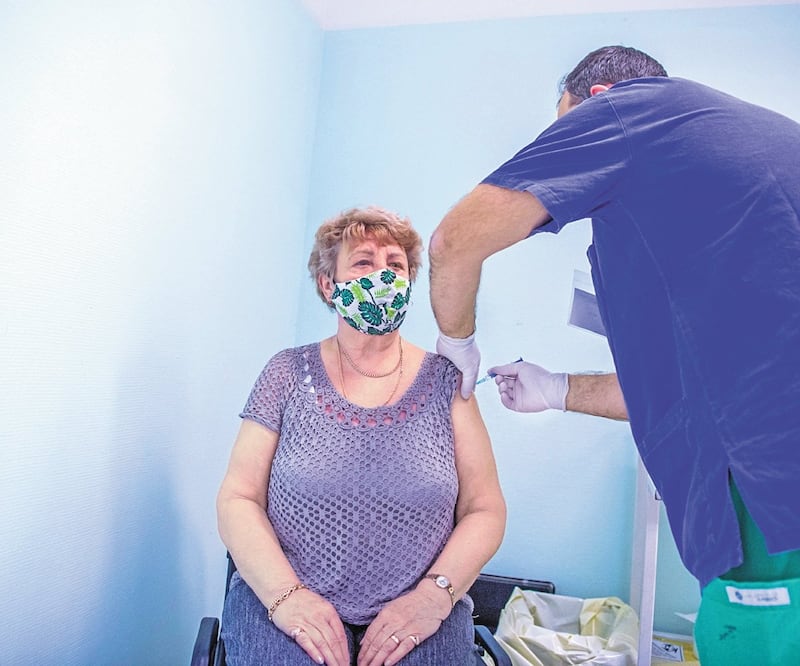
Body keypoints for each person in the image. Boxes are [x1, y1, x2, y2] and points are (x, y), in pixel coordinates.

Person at [428, 45, 800, 665]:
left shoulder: (623, 114)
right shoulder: (750, 152)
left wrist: (456, 340)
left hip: (773, 485)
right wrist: (556, 389)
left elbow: (454, 240)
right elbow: (691, 386)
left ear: (593, 101)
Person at [217, 206, 506, 666]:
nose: (383, 276)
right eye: (364, 262)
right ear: (329, 284)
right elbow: (238, 498)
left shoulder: (448, 383)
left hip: (421, 609)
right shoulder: (286, 373)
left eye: (396, 265)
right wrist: (286, 596)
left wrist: (433, 597)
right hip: (286, 598)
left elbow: (484, 509)